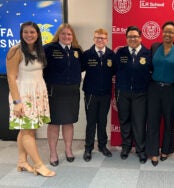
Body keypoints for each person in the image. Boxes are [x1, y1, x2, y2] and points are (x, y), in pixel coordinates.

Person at [6, 21, 55, 177]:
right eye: (25, 32)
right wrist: (17, 102)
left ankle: (22, 161)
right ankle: (39, 165)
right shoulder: (16, 50)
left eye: (32, 32)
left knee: (26, 129)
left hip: (37, 94)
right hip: (23, 95)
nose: (29, 35)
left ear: (37, 34)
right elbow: (11, 78)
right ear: (21, 34)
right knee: (28, 132)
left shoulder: (39, 50)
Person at [43, 23, 83, 166]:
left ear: (73, 36)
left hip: (72, 92)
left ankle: (68, 150)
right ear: (58, 35)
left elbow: (82, 67)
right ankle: (53, 153)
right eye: (64, 34)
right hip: (55, 92)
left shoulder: (77, 50)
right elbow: (40, 67)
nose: (67, 37)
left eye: (69, 34)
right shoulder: (48, 49)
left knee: (68, 122)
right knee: (54, 124)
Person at [146, 21, 174, 166]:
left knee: (169, 122)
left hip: (171, 90)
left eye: (171, 32)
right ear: (162, 32)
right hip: (154, 89)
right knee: (153, 121)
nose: (167, 34)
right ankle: (153, 152)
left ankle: (166, 150)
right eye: (165, 31)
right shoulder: (155, 47)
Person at [115, 26, 151, 163]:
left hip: (141, 93)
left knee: (139, 122)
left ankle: (141, 150)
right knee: (124, 120)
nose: (133, 39)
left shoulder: (147, 53)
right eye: (130, 36)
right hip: (123, 92)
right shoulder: (120, 53)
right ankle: (126, 147)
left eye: (135, 36)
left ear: (141, 38)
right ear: (126, 38)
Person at [82, 28, 117, 162]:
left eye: (102, 38)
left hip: (105, 94)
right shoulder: (87, 54)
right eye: (97, 38)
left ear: (107, 40)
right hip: (91, 93)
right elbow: (79, 69)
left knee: (102, 121)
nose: (100, 40)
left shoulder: (111, 55)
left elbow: (115, 72)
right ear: (93, 39)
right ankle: (88, 148)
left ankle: (102, 146)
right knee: (91, 122)